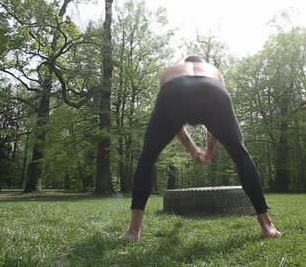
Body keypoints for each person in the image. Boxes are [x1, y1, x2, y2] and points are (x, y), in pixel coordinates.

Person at [121, 55, 283, 240]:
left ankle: (134, 230)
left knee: (148, 157)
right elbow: (216, 126)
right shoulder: (214, 71)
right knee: (240, 154)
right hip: (212, 90)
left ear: (185, 62)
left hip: (174, 90)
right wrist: (209, 150)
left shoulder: (171, 71)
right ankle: (267, 226)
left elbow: (174, 123)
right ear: (202, 63)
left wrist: (192, 148)